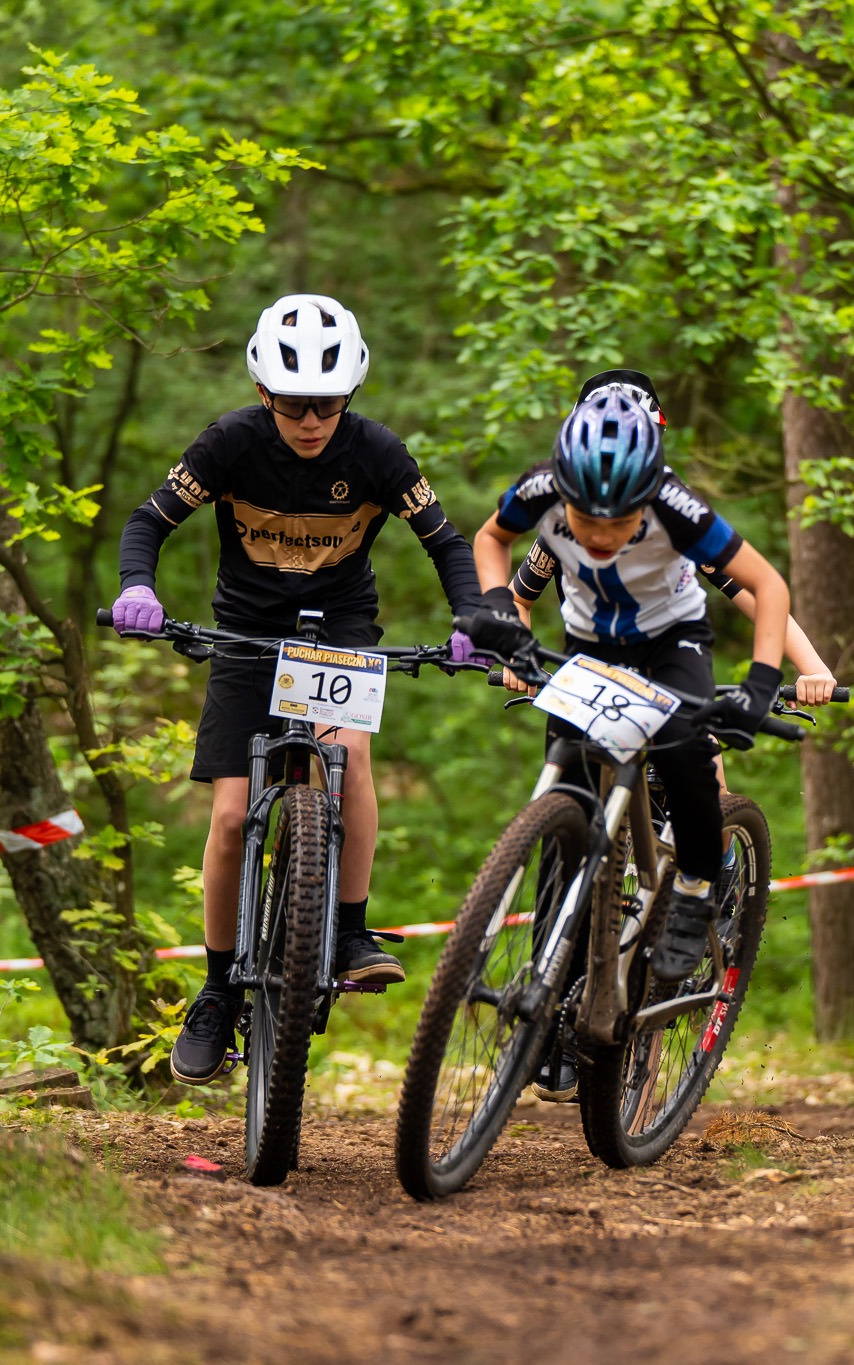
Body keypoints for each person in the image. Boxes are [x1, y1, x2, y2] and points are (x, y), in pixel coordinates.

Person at [108, 294, 530, 1085]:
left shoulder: (377, 452)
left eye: (328, 404)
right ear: (263, 393)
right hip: (245, 634)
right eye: (295, 403)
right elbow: (148, 522)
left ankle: (350, 929)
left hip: (338, 631)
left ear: (350, 395)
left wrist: (471, 614)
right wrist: (139, 585)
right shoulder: (229, 443)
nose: (311, 421)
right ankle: (217, 989)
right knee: (229, 816)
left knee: (352, 760)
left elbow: (446, 543)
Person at [472, 368, 794, 990]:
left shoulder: (678, 506)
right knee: (568, 789)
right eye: (584, 520)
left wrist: (760, 683)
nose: (599, 536)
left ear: (648, 496)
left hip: (671, 641)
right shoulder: (540, 488)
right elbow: (491, 538)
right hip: (589, 645)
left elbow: (768, 585)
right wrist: (496, 609)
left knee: (686, 755)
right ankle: (555, 983)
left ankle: (695, 888)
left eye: (619, 522)